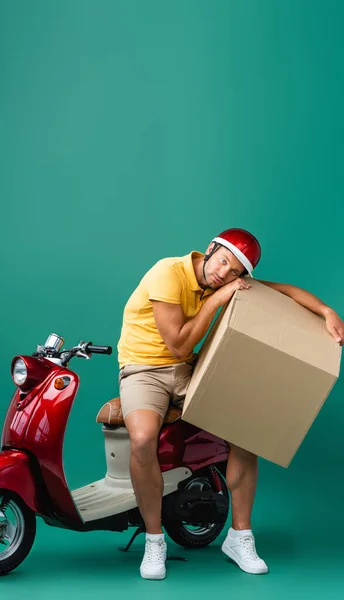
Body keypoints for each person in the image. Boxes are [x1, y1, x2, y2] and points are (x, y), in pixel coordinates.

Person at [117, 228, 344, 580]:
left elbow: (282, 291)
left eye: (235, 271)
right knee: (143, 439)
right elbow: (177, 344)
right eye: (223, 261)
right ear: (210, 249)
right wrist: (216, 300)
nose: (224, 273)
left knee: (245, 427)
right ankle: (154, 540)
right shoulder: (168, 272)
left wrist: (326, 310)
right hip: (144, 371)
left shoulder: (222, 278)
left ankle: (240, 537)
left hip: (189, 370)